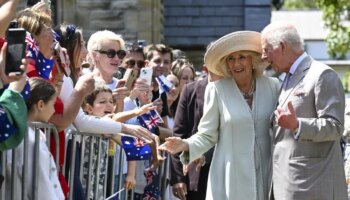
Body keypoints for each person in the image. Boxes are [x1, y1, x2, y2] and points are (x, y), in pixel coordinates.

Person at [159, 31, 280, 200]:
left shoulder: (273, 86)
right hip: (230, 177)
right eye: (231, 59)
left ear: (252, 59)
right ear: (226, 65)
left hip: (266, 174)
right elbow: (207, 135)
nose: (236, 63)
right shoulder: (216, 90)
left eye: (242, 57)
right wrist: (185, 144)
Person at [261, 22, 347, 200]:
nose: (263, 56)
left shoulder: (322, 75)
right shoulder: (285, 79)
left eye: (266, 49)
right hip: (288, 184)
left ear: (282, 46)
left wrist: (298, 125)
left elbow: (335, 126)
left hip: (312, 187)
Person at [7, 77, 64, 200]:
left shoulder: (25, 133)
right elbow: (39, 183)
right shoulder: (30, 140)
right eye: (53, 104)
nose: (54, 110)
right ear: (41, 105)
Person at [170, 69, 221, 200]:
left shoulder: (235, 88)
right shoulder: (190, 90)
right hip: (196, 174)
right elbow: (179, 134)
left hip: (226, 170)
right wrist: (178, 177)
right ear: (207, 65)